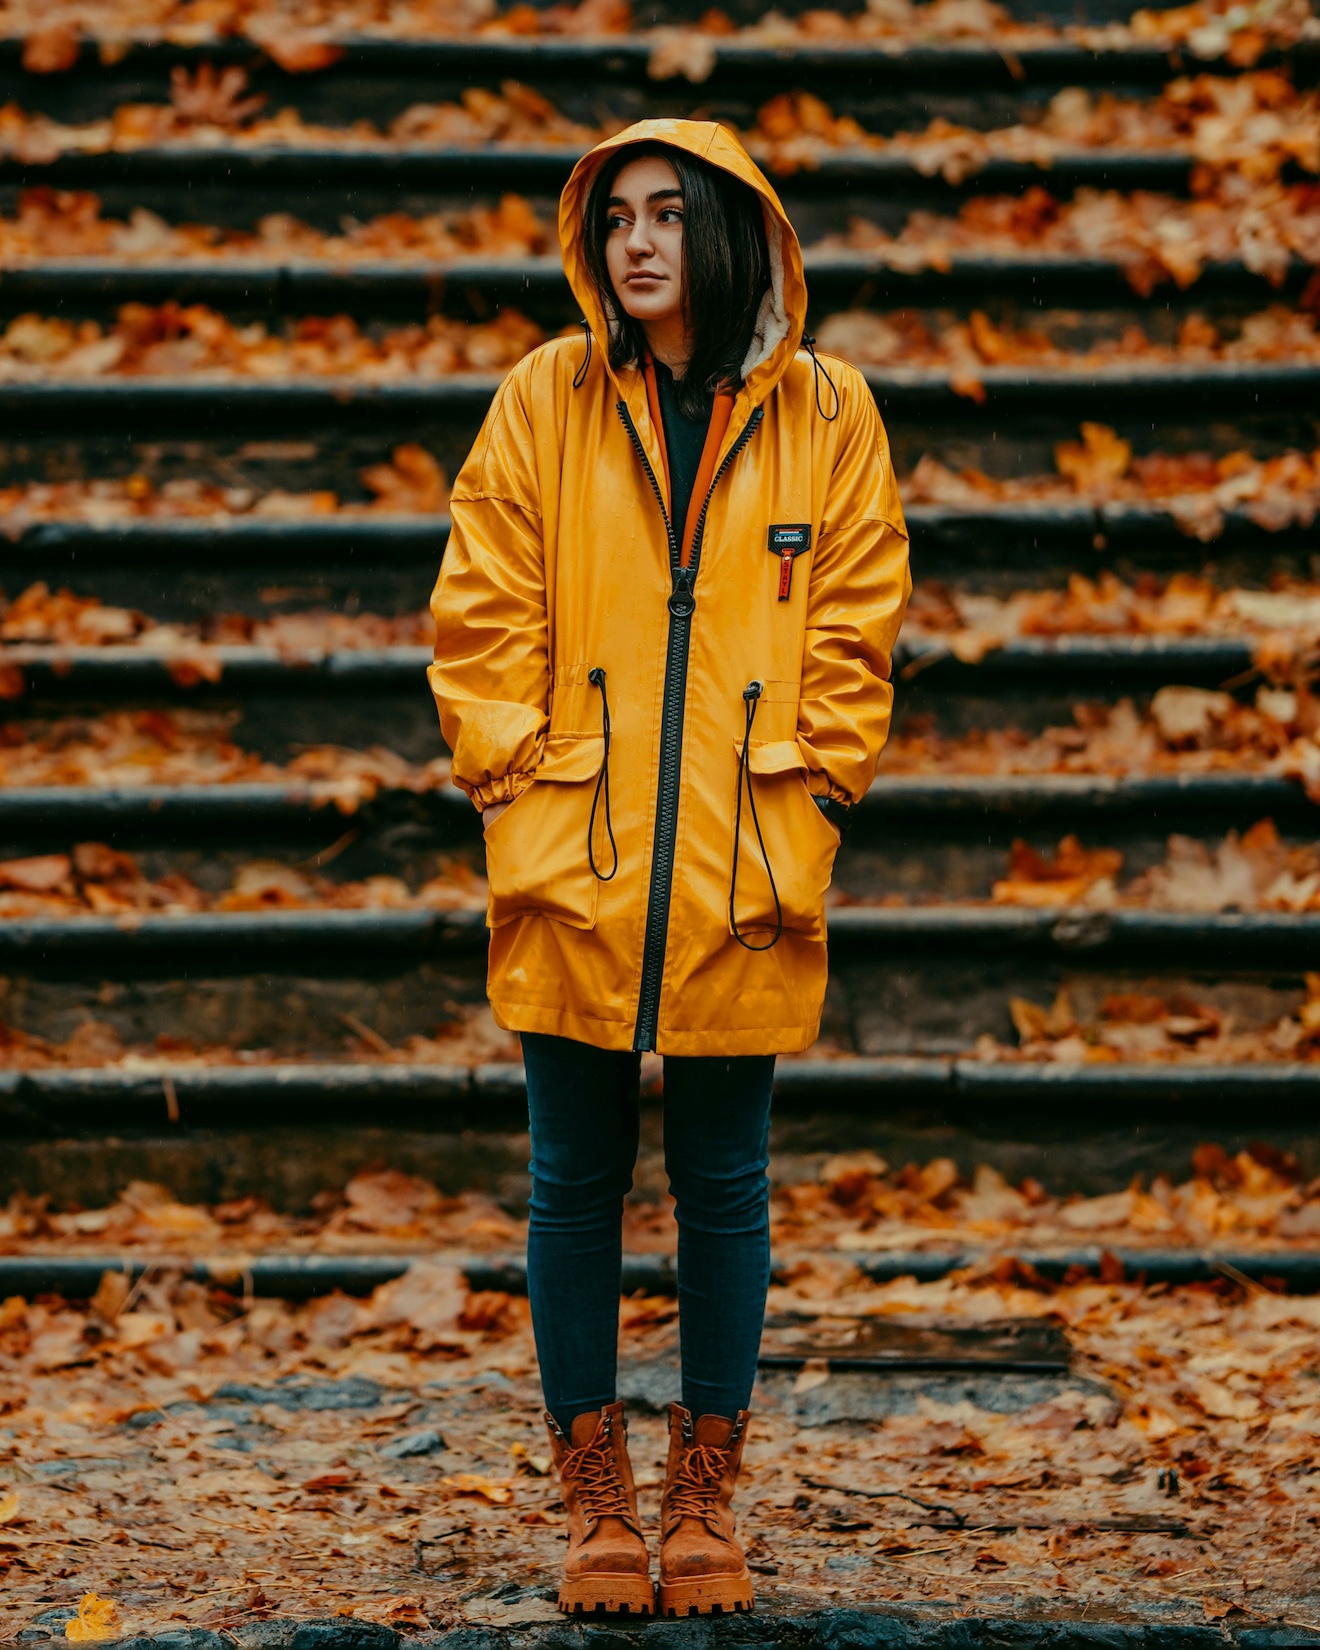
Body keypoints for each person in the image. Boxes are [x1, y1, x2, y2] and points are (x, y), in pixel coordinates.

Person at [429, 119, 911, 1618]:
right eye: (619, 218)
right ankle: (597, 1502)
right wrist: (521, 793)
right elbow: (481, 612)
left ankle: (706, 1493)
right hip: (575, 859)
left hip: (741, 864)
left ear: (729, 234)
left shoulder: (830, 414)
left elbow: (856, 623)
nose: (638, 242)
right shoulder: (545, 401)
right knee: (572, 1182)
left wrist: (814, 800)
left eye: (667, 215)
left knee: (725, 1179)